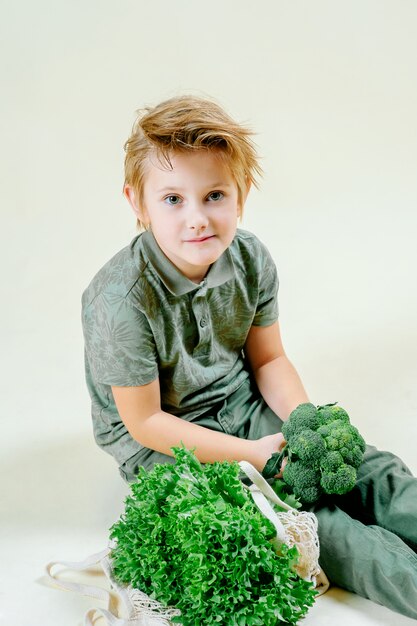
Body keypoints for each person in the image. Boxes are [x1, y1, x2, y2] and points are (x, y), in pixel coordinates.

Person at [81, 95, 417, 619]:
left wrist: (304, 423)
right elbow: (144, 422)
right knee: (322, 525)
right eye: (172, 199)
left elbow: (268, 361)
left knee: (371, 471)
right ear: (137, 203)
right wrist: (254, 456)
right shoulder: (118, 302)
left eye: (214, 195)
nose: (196, 219)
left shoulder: (250, 258)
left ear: (241, 197)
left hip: (237, 399)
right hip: (164, 439)